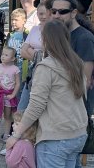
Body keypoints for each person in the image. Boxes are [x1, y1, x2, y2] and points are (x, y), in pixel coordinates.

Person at [6, 20, 88, 167]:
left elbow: (36, 105)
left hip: (55, 136)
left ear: (45, 39)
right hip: (78, 133)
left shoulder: (46, 67)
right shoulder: (77, 63)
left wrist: (17, 134)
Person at [52, 0, 94, 117]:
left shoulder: (84, 38)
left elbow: (84, 81)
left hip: (75, 110)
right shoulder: (61, 34)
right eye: (54, 12)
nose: (57, 16)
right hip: (59, 105)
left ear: (74, 13)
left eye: (62, 12)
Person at [18, 3, 47, 112]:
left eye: (46, 13)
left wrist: (31, 50)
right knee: (21, 108)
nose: (43, 16)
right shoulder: (35, 29)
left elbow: (47, 53)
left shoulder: (53, 31)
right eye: (40, 14)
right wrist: (38, 54)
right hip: (32, 72)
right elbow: (22, 52)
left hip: (44, 75)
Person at [0, 46, 20, 144]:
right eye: (2, 54)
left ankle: (7, 135)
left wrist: (13, 95)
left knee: (8, 116)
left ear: (12, 58)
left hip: (9, 96)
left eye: (6, 55)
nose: (3, 56)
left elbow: (18, 83)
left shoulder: (15, 69)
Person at [5, 8, 29, 96]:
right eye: (12, 20)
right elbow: (5, 51)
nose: (13, 22)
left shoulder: (28, 35)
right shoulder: (10, 35)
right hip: (10, 71)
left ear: (24, 21)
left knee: (20, 94)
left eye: (16, 20)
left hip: (23, 71)